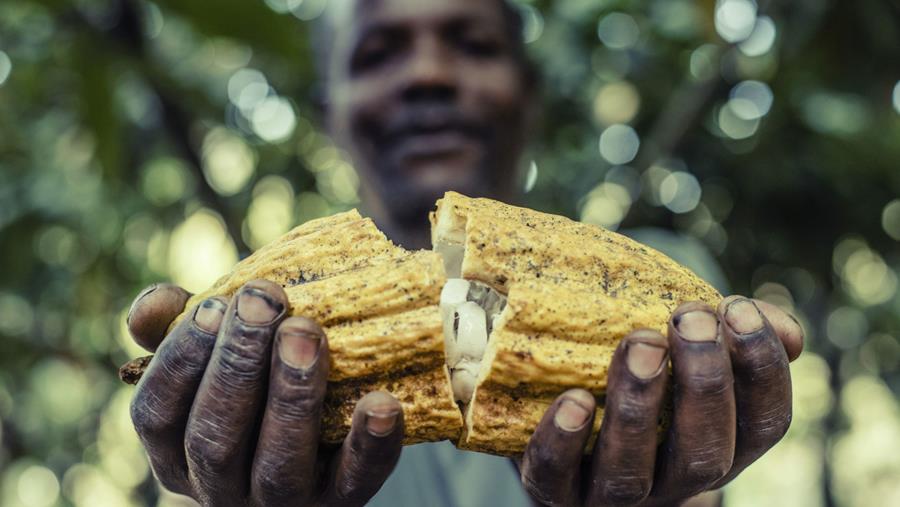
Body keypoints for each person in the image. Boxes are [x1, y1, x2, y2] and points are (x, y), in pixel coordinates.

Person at [125, 0, 805, 505]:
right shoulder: (251, 341)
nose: (427, 74)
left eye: (472, 43)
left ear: (529, 92)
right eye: (379, 52)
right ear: (330, 112)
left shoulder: (678, 287)